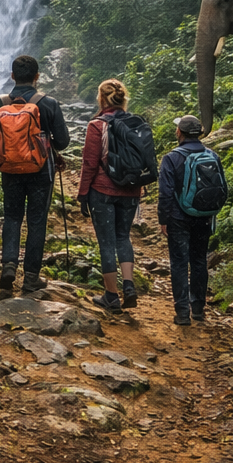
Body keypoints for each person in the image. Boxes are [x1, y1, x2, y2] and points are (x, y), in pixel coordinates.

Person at [0, 55, 71, 292]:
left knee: (12, 217)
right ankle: (31, 277)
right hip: (40, 172)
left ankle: (8, 266)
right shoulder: (48, 103)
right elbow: (64, 141)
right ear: (37, 76)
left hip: (9, 170)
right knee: (37, 221)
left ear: (12, 75)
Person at [75, 78, 142, 313]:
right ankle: (130, 285)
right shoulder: (136, 123)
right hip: (132, 190)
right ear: (124, 98)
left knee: (106, 242)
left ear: (101, 99)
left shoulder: (97, 125)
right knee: (123, 237)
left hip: (102, 191)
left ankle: (112, 296)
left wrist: (83, 194)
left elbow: (89, 163)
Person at [157, 115, 219, 325]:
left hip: (178, 217)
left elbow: (165, 192)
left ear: (179, 132)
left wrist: (163, 218)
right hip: (204, 216)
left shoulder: (171, 158)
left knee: (179, 263)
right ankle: (199, 309)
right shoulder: (212, 155)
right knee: (200, 261)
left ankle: (182, 312)